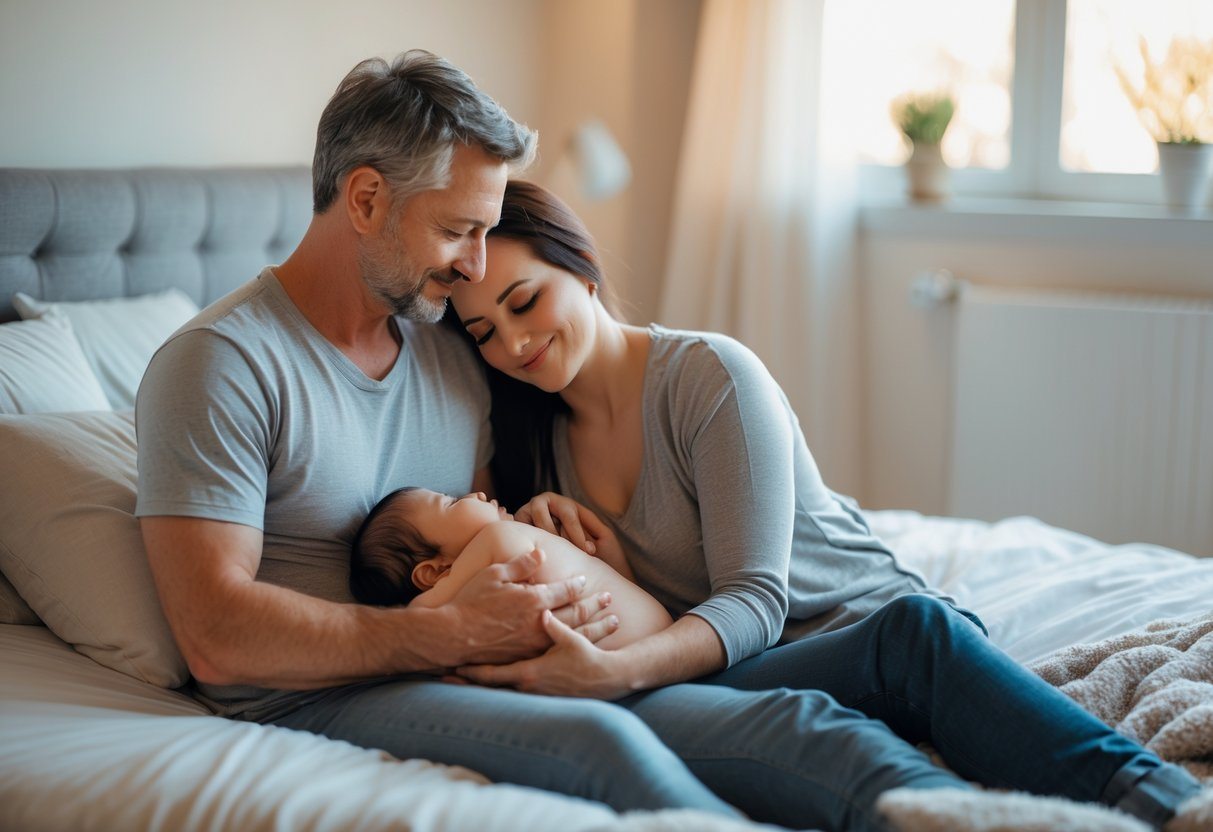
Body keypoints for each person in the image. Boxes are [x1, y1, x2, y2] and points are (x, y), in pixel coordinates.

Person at [441, 179, 1205, 832]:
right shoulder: (532, 452)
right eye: (484, 331)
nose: (513, 343)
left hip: (862, 636)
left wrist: (619, 674)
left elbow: (756, 599)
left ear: (580, 267)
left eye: (524, 301)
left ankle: (1163, 805)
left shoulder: (708, 376)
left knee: (919, 628)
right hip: (740, 677)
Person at [135, 50, 746, 821]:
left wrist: (543, 524)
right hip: (309, 698)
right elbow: (215, 634)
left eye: (486, 232)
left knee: (747, 719)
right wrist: (449, 633)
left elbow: (488, 525)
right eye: (458, 230)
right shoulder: (220, 365)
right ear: (364, 199)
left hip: (457, 668)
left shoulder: (450, 349)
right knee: (599, 743)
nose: (476, 266)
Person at [349, 487, 673, 649]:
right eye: (450, 502)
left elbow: (423, 616)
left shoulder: (502, 538)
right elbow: (420, 616)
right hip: (649, 638)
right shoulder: (496, 538)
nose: (475, 493)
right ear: (433, 572)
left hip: (642, 648)